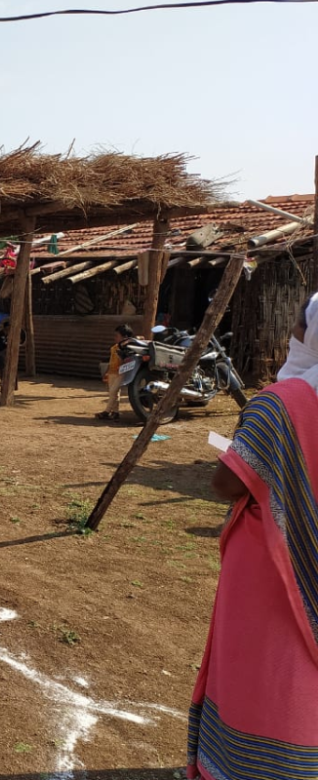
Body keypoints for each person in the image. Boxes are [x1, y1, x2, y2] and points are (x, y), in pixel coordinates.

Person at [187, 293, 318, 780]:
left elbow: (228, 482)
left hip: (277, 568)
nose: (294, 336)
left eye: (301, 326)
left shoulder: (284, 404)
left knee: (271, 670)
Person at [96, 324, 134, 421]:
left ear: (125, 337)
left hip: (121, 373)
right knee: (113, 393)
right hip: (112, 372)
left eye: (117, 336)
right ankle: (115, 412)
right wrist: (107, 372)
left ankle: (107, 411)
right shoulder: (114, 348)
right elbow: (111, 360)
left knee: (113, 391)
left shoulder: (128, 348)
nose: (115, 338)